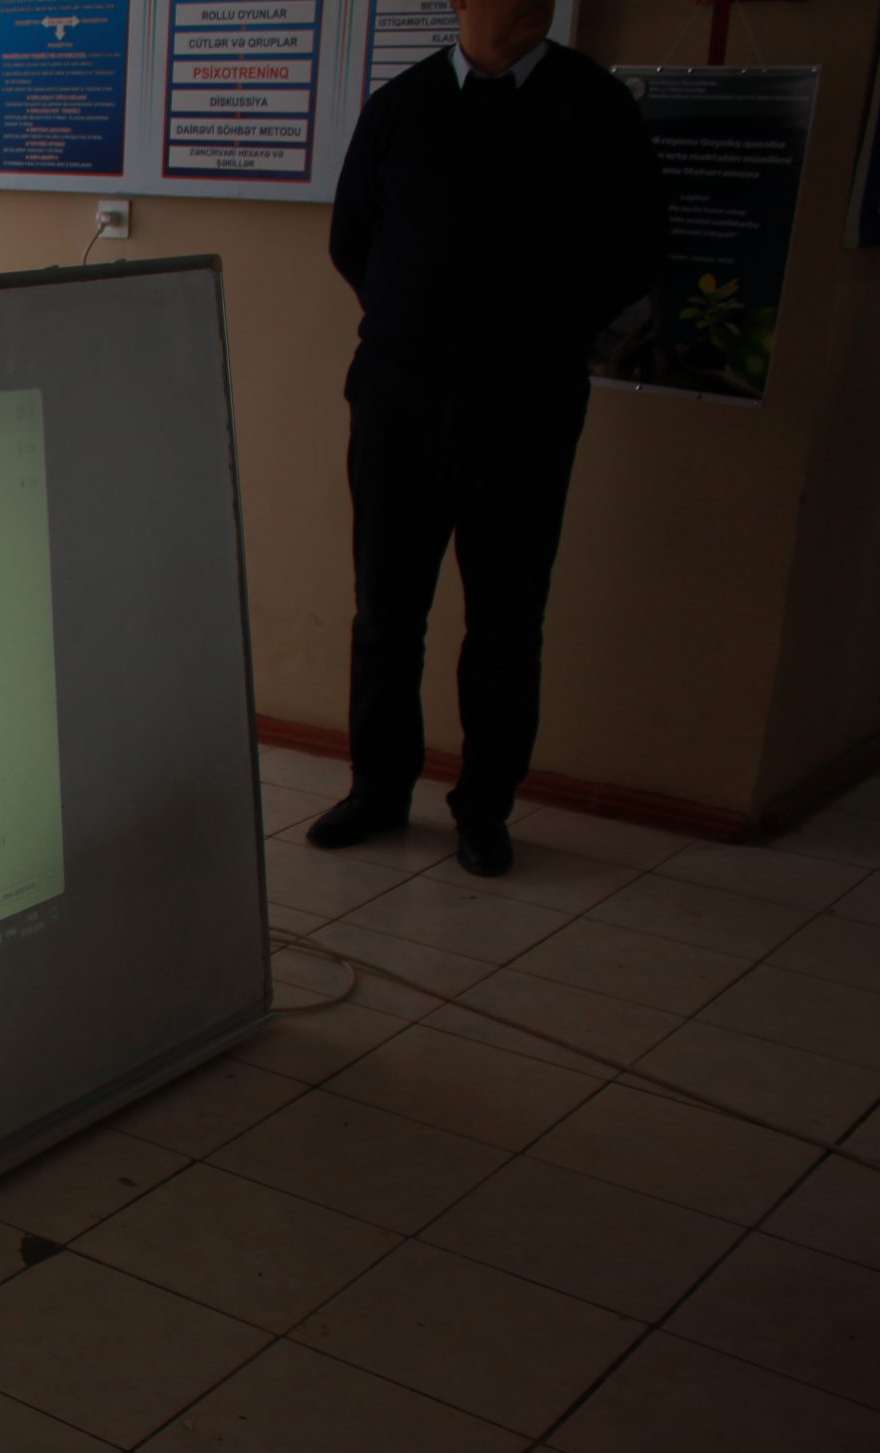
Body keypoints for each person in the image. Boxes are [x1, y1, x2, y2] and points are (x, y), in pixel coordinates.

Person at [309, 0, 661, 876]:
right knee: (386, 613)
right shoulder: (402, 106)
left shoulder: (594, 106)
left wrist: (543, 332)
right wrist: (419, 323)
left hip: (526, 412)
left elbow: (639, 245)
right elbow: (352, 238)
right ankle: (378, 790)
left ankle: (483, 808)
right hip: (400, 403)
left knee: (506, 620)